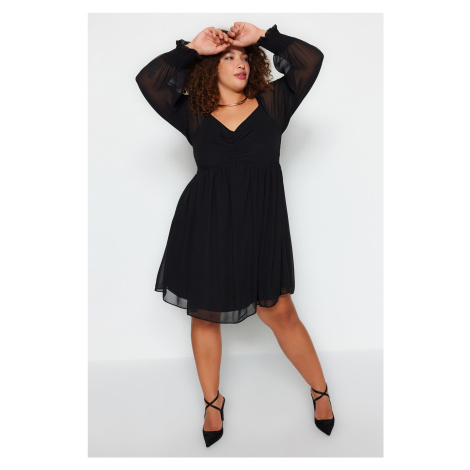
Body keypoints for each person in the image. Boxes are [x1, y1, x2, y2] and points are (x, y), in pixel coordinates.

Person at [135, 21, 334, 447]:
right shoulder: (192, 113)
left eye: (245, 58)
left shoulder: (273, 103)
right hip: (204, 225)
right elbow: (148, 80)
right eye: (228, 57)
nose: (240, 63)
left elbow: (310, 61)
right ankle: (213, 402)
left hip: (261, 227)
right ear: (211, 67)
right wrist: (193, 49)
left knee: (280, 313)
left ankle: (320, 391)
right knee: (205, 315)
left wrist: (262, 38)